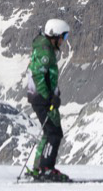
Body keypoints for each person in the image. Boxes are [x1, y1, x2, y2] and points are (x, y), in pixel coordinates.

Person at [27, 18, 70, 182]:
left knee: (50, 132)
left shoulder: (45, 48)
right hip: (42, 98)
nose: (63, 41)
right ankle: (46, 169)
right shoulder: (45, 51)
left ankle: (40, 168)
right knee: (53, 133)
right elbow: (38, 75)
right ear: (55, 35)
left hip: (42, 97)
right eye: (63, 37)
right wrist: (49, 97)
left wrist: (54, 94)